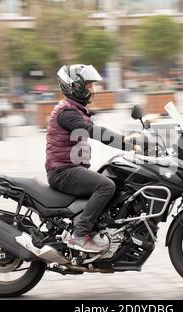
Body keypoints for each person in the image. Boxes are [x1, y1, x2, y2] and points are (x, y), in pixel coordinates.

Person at [46, 64, 141, 253]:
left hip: (69, 169)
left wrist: (128, 141)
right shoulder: (67, 113)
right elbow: (95, 132)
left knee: (113, 177)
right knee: (106, 186)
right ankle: (79, 236)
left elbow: (97, 130)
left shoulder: (74, 109)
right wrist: (127, 144)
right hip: (63, 172)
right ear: (75, 86)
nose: (92, 89)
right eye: (89, 85)